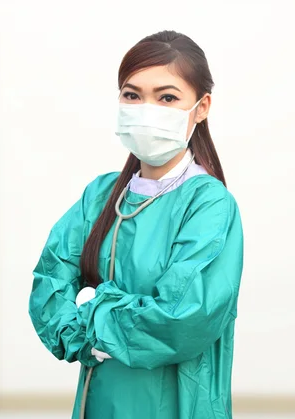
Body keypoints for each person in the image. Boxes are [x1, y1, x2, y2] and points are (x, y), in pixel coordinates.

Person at [28, 30, 244, 419]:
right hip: (102, 398)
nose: (147, 109)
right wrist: (82, 333)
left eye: (167, 97)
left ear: (201, 106)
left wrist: (93, 311)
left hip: (177, 402)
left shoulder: (209, 204)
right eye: (132, 95)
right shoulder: (103, 195)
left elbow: (182, 318)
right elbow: (50, 281)